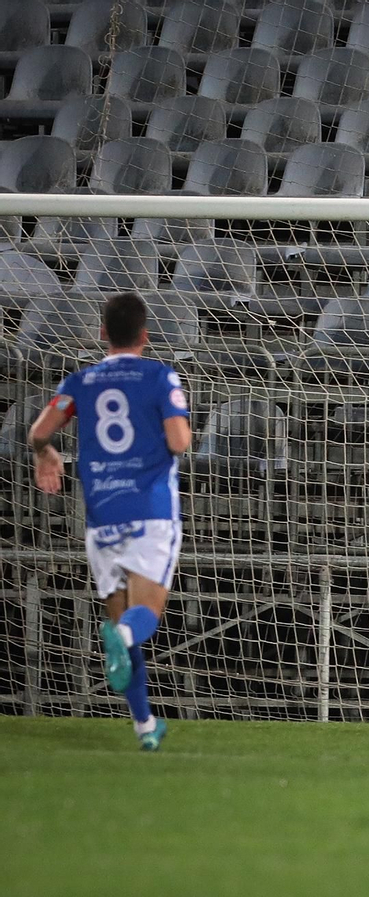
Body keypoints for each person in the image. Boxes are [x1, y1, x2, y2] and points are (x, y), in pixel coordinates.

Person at [29, 291, 192, 751]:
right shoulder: (161, 375)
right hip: (150, 512)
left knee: (125, 622)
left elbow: (40, 431)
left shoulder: (80, 381)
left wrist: (46, 455)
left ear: (102, 333)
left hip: (101, 517)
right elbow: (178, 442)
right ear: (145, 334)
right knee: (142, 619)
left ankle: (145, 727)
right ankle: (120, 637)